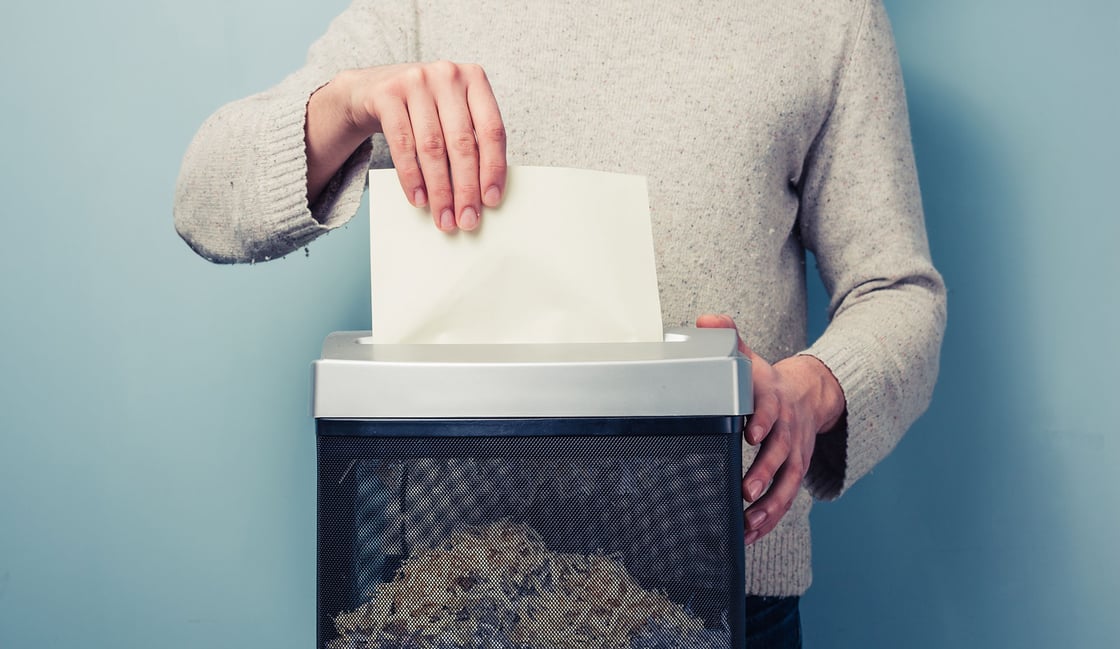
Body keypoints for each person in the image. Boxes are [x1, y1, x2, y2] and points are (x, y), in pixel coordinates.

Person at [174, 0, 946, 645]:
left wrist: (809, 393)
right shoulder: (420, 8)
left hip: (724, 591)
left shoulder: (827, 15)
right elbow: (205, 202)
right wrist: (346, 102)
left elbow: (899, 290)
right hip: (452, 598)